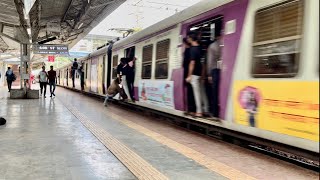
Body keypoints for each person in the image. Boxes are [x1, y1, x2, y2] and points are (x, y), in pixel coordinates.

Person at [185, 31, 209, 117]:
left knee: (197, 93)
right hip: (200, 74)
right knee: (203, 92)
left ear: (191, 38)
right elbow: (203, 63)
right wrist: (203, 75)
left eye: (188, 38)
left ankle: (199, 111)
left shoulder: (192, 49)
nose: (187, 39)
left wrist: (189, 75)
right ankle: (206, 109)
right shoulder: (200, 48)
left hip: (194, 74)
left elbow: (192, 63)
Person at [207, 30, 222, 117]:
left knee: (214, 92)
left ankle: (214, 112)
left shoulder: (212, 46)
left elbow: (210, 61)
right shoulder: (225, 44)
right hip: (222, 70)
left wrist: (209, 74)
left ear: (216, 36)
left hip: (214, 70)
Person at [182, 38, 196, 116]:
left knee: (190, 92)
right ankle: (191, 109)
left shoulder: (188, 51)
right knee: (191, 92)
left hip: (188, 74)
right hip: (190, 73)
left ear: (185, 44)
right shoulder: (191, 50)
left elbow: (188, 63)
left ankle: (191, 109)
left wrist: (188, 76)